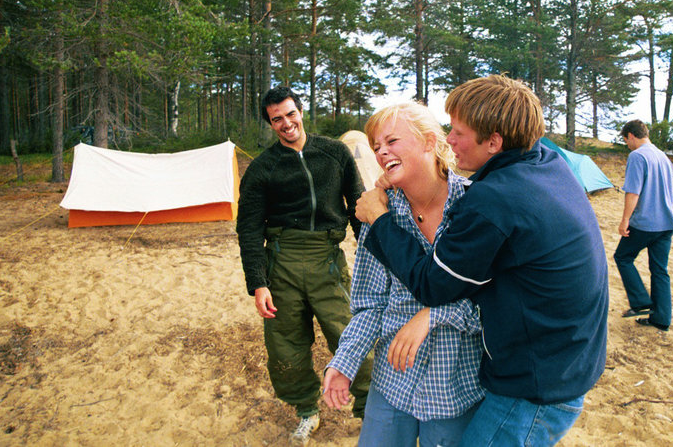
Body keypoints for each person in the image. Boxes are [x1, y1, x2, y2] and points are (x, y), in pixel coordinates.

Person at [355, 75, 608, 447]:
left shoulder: (494, 200)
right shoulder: (547, 165)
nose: (449, 140)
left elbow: (432, 286)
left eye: (458, 132)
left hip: (534, 387)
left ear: (494, 142)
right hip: (571, 360)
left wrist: (379, 220)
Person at [322, 102, 484, 447]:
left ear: (428, 142)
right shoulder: (378, 213)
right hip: (393, 383)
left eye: (391, 141)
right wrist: (344, 363)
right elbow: (370, 304)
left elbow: (495, 303)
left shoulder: (475, 206)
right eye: (376, 146)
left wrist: (434, 315)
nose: (381, 152)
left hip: (455, 389)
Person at [236, 86, 372, 446]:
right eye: (276, 119)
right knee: (286, 344)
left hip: (328, 259)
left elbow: (359, 207)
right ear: (269, 123)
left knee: (350, 333)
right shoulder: (263, 168)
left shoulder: (334, 153)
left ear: (301, 111)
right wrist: (258, 283)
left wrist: (372, 255)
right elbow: (248, 227)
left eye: (290, 114)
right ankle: (306, 412)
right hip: (281, 262)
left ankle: (368, 410)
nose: (286, 124)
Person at [614, 119, 673, 332]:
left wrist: (625, 221)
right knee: (660, 270)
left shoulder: (637, 156)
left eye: (626, 141)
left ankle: (641, 303)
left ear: (631, 135)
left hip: (646, 223)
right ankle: (661, 319)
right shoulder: (663, 157)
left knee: (622, 257)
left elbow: (633, 191)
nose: (627, 145)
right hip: (667, 222)